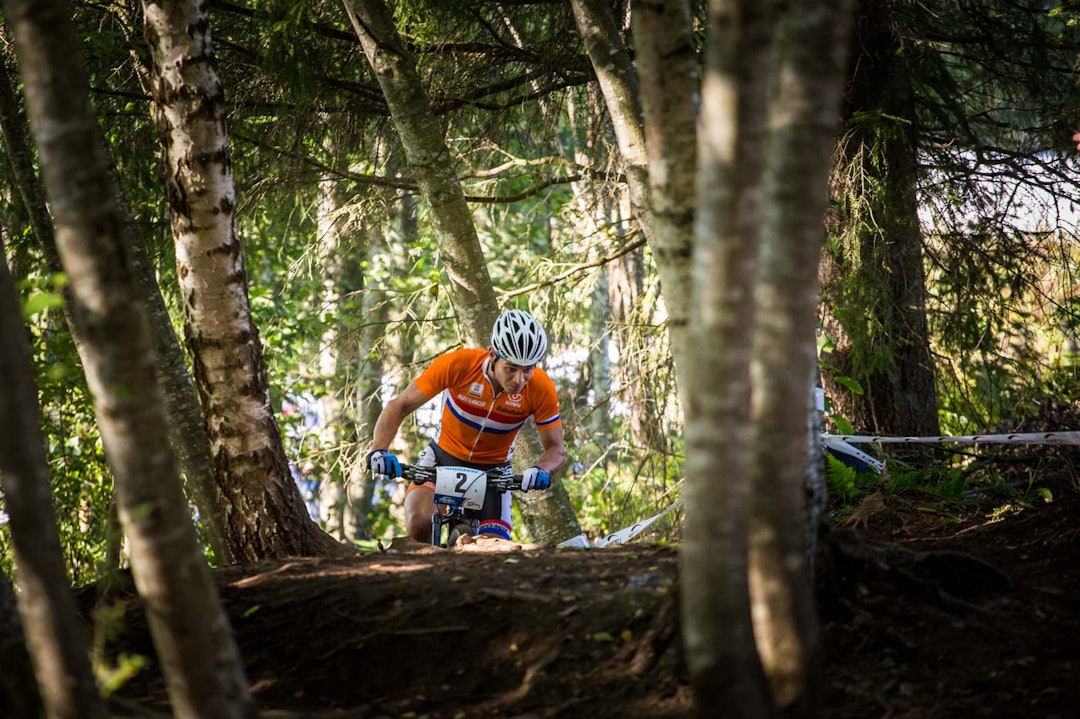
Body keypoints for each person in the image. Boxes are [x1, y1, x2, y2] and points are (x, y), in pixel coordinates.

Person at [368, 309, 566, 542]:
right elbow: (399, 406)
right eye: (511, 368)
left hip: (494, 472)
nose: (519, 380)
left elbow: (556, 449)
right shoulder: (459, 365)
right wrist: (379, 450)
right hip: (442, 458)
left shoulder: (541, 388)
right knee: (419, 524)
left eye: (527, 370)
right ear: (493, 356)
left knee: (494, 548)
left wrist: (541, 469)